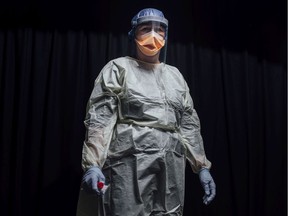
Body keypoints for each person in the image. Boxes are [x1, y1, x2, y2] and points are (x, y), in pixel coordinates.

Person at [77, 8, 216, 216]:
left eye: (160, 29)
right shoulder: (119, 68)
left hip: (171, 165)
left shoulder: (175, 77)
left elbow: (189, 125)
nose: (154, 34)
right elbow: (100, 120)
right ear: (134, 34)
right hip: (129, 163)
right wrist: (93, 164)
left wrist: (202, 166)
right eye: (146, 28)